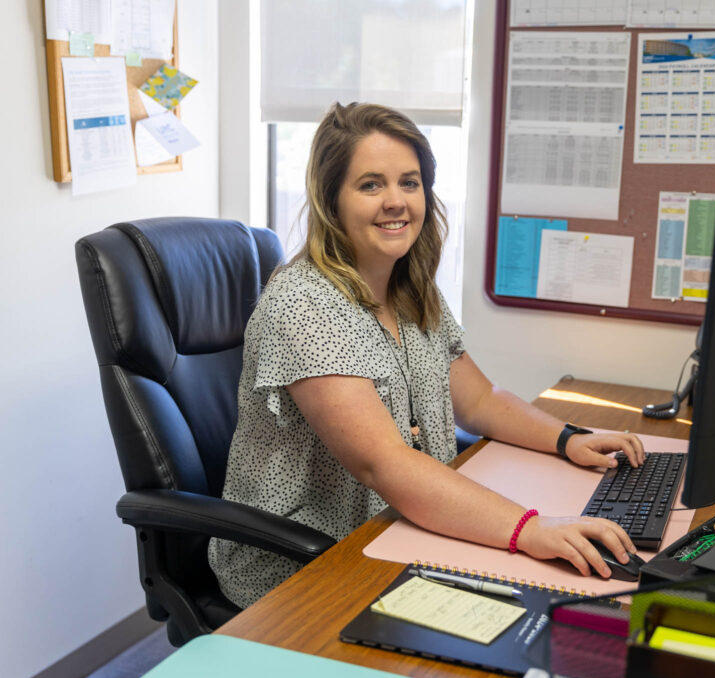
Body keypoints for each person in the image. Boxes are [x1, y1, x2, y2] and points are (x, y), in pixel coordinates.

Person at [209, 102, 644, 608]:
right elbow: (384, 464)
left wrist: (569, 439)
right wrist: (530, 530)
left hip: (398, 525)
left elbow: (479, 400)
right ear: (332, 200)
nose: (396, 201)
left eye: (409, 183)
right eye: (371, 184)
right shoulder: (303, 305)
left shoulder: (409, 290)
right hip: (307, 561)